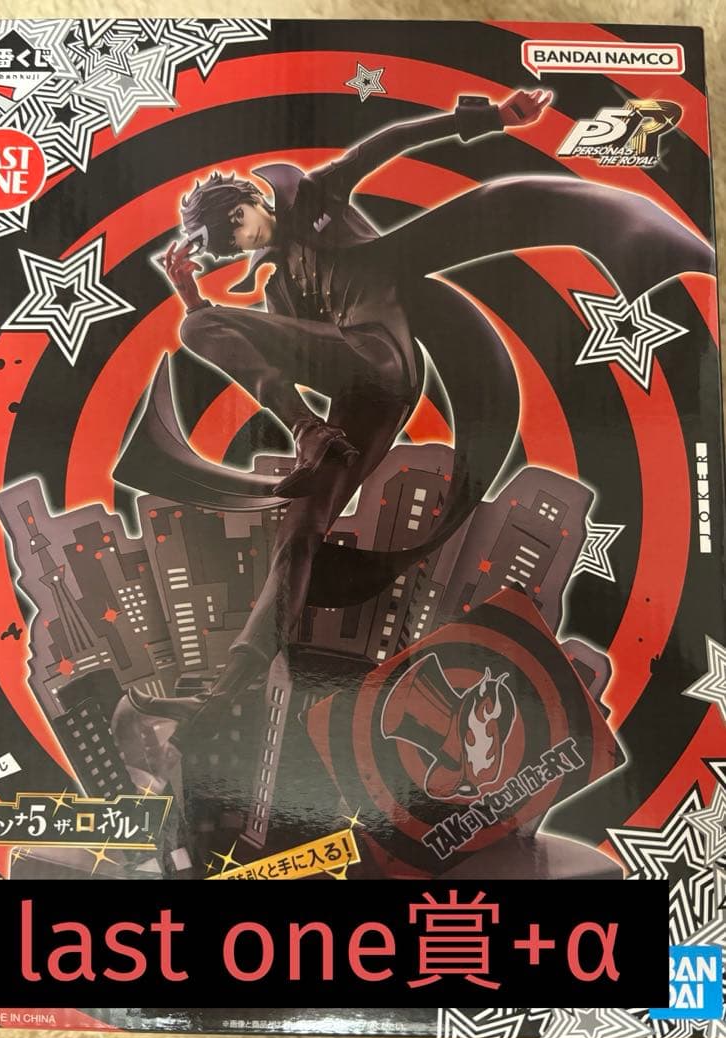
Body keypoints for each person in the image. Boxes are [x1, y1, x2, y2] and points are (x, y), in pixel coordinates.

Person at [118, 87, 712, 728]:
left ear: (249, 203)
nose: (240, 243)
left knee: (201, 327)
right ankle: (226, 692)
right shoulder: (283, 288)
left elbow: (389, 141)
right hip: (356, 404)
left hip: (383, 360)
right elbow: (279, 359)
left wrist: (491, 116)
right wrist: (194, 297)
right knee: (299, 531)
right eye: (229, 247)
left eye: (235, 228)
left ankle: (307, 432)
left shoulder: (315, 197)